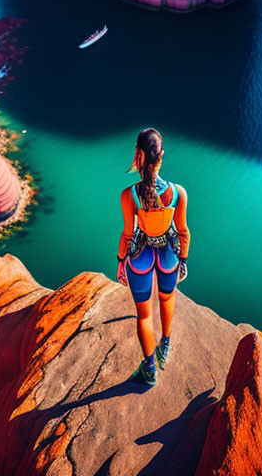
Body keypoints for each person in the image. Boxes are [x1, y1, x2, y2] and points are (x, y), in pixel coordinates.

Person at [116, 128, 190, 386]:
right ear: (161, 156)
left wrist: (120, 261)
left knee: (144, 315)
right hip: (169, 253)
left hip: (141, 256)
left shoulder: (129, 195)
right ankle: (165, 345)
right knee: (167, 297)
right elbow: (183, 231)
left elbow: (127, 234)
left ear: (138, 155)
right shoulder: (178, 193)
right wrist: (183, 260)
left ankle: (149, 371)